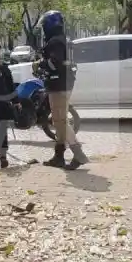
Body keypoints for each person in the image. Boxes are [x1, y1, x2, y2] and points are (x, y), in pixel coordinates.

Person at [36, 10, 88, 170]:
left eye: (44, 25)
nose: (44, 28)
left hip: (58, 84)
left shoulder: (55, 42)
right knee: (59, 121)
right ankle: (59, 156)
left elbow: (54, 63)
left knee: (60, 121)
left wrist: (39, 64)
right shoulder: (62, 39)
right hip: (63, 83)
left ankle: (78, 154)